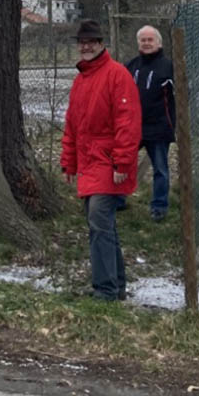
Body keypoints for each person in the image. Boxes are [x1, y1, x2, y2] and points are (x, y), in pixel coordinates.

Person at [60, 20, 141, 302]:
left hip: (108, 163)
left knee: (98, 221)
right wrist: (68, 163)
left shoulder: (117, 75)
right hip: (89, 163)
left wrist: (122, 163)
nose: (85, 46)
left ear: (101, 43)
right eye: (82, 42)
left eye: (91, 41)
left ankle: (105, 289)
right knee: (103, 225)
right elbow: (72, 125)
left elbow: (127, 123)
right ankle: (115, 286)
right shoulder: (81, 80)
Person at [126, 25, 176, 223]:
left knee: (160, 170)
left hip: (159, 127)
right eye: (143, 40)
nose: (146, 43)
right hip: (132, 127)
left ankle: (159, 207)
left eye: (150, 40)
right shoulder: (131, 66)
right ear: (138, 43)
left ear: (159, 43)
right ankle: (119, 199)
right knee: (122, 164)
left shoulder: (169, 67)